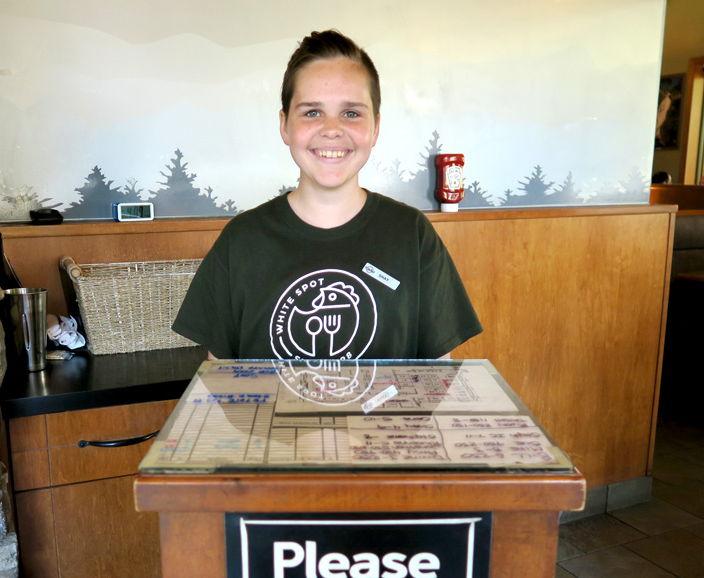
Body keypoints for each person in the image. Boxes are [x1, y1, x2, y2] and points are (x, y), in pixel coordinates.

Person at [172, 30, 482, 361]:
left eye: (351, 113)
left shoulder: (412, 235)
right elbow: (218, 381)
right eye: (312, 112)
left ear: (375, 127)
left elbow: (436, 378)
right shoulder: (241, 241)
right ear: (285, 126)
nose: (331, 128)